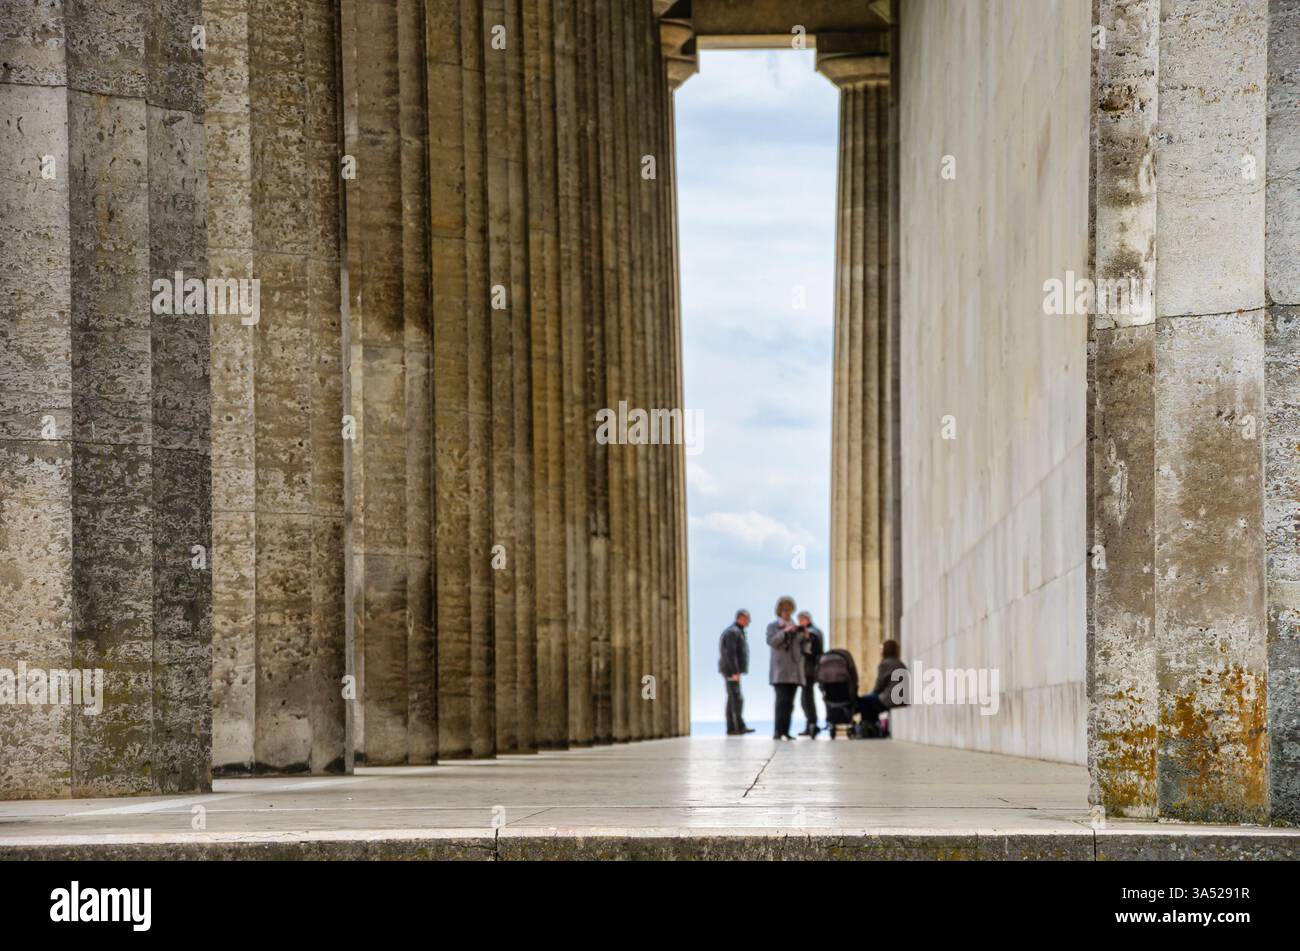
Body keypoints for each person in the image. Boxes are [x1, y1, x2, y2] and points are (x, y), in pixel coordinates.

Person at [765, 596, 804, 740]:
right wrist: (784, 632)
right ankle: (777, 731)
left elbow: (801, 647)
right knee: (781, 701)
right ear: (779, 611)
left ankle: (786, 731)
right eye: (784, 610)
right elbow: (772, 641)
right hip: (779, 671)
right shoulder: (773, 626)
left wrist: (803, 635)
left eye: (789, 609)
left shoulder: (794, 625)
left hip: (794, 670)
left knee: (790, 703)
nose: (787, 612)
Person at [857, 638, 908, 736]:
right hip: (902, 699)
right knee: (870, 701)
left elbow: (879, 686)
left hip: (891, 699)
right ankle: (874, 727)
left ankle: (869, 728)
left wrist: (870, 695)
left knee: (863, 701)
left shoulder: (885, 664)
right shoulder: (900, 663)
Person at [718, 610, 755, 735]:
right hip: (731, 671)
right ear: (740, 618)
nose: (749, 621)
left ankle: (735, 727)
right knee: (736, 698)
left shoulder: (737, 631)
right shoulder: (733, 632)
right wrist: (734, 672)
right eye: (747, 618)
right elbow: (730, 653)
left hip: (732, 671)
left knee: (733, 698)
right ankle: (736, 727)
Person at [795, 611, 824, 737]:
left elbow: (813, 650)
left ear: (806, 619)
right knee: (806, 698)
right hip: (810, 669)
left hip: (809, 669)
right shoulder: (815, 631)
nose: (799, 623)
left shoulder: (812, 632)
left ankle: (811, 724)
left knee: (807, 699)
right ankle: (810, 725)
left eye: (801, 620)